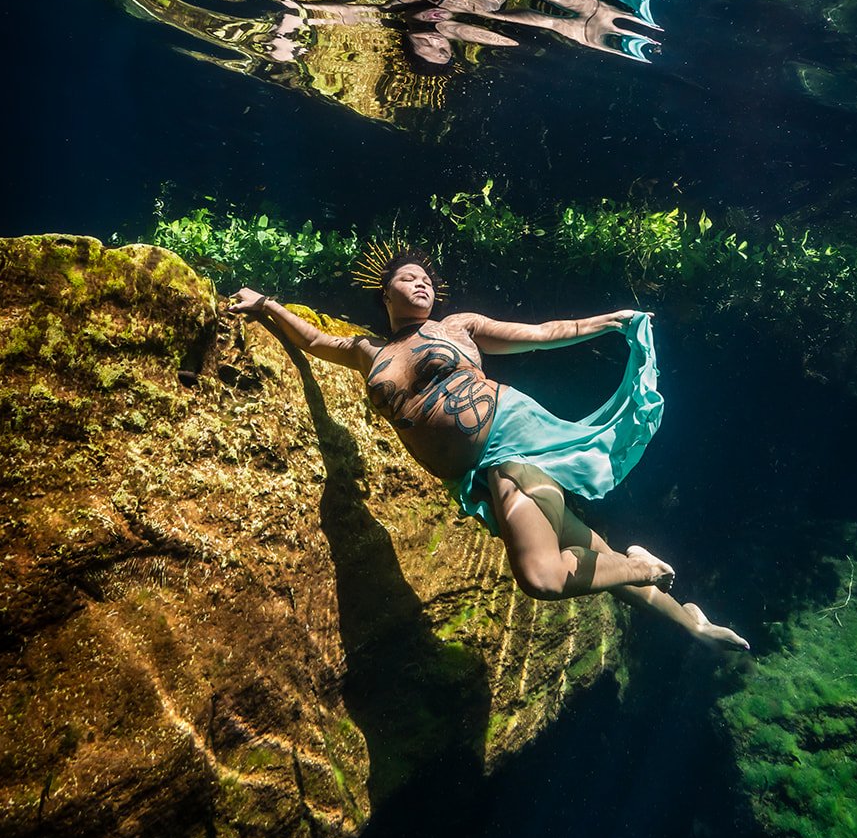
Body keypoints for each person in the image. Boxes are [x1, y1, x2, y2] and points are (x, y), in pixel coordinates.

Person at [228, 247, 748, 648]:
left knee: (543, 576)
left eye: (427, 279)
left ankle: (643, 564)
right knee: (594, 559)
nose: (422, 283)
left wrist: (608, 322)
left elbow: (542, 334)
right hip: (476, 476)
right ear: (385, 294)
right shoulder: (371, 352)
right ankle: (693, 625)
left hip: (512, 447)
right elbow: (316, 341)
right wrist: (266, 304)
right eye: (408, 278)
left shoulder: (458, 326)